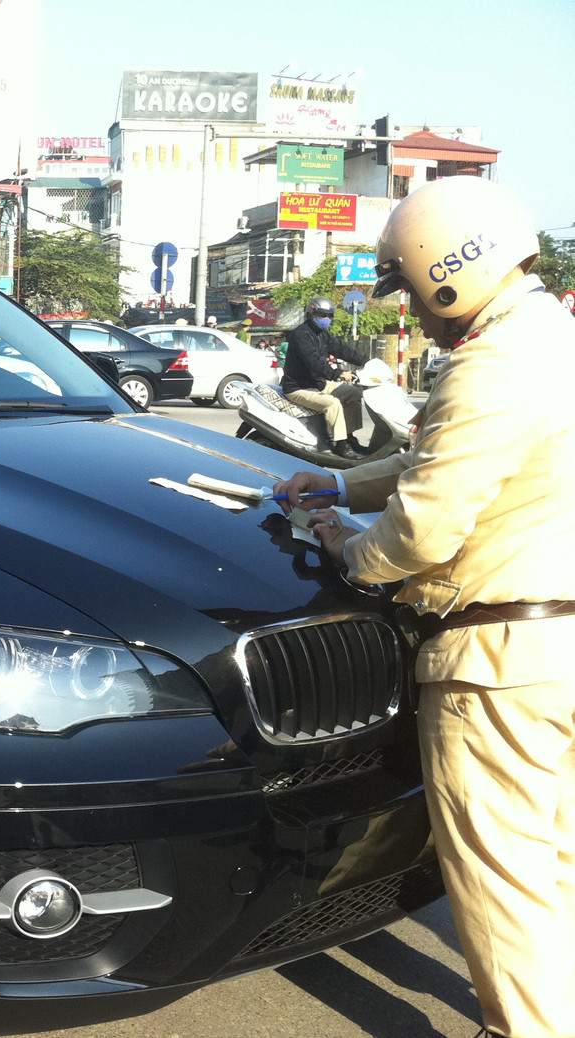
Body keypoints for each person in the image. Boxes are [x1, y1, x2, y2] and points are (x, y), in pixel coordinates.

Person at [275, 175, 575, 1038]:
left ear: (447, 272)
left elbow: (421, 530)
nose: (409, 308)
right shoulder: (552, 338)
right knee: (552, 862)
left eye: (408, 287)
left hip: (498, 666)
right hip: (558, 646)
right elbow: (445, 459)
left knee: (502, 876)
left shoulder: (491, 366)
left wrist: (345, 543)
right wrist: (339, 480)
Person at [280, 296, 371, 458]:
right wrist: (338, 374)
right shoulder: (300, 335)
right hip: (298, 388)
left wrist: (367, 361)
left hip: (318, 384)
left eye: (329, 315)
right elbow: (313, 360)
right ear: (310, 314)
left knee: (353, 394)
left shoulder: (323, 334)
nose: (326, 319)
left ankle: (349, 437)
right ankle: (341, 445)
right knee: (332, 403)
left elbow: (342, 349)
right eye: (322, 315)